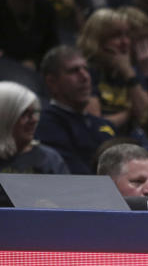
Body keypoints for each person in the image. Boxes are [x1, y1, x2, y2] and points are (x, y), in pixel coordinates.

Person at [35, 46, 118, 174]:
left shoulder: (103, 124)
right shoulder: (45, 124)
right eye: (74, 71)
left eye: (86, 69)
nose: (85, 76)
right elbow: (75, 176)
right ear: (52, 82)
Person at [77, 8, 148, 135]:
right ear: (97, 40)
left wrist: (129, 74)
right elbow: (98, 126)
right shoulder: (85, 73)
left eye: (127, 35)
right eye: (115, 36)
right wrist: (129, 113)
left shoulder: (131, 71)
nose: (125, 42)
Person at [0, 81, 68, 174]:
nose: (34, 120)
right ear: (5, 116)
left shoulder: (49, 159)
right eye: (24, 114)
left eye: (34, 113)